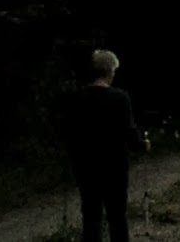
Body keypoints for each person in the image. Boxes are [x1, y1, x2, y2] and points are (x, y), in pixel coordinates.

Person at [58, 48, 148, 242]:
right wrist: (143, 145)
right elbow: (129, 132)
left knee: (91, 216)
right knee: (117, 216)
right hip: (114, 166)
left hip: (85, 166)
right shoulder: (119, 98)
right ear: (109, 71)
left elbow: (68, 134)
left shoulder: (76, 99)